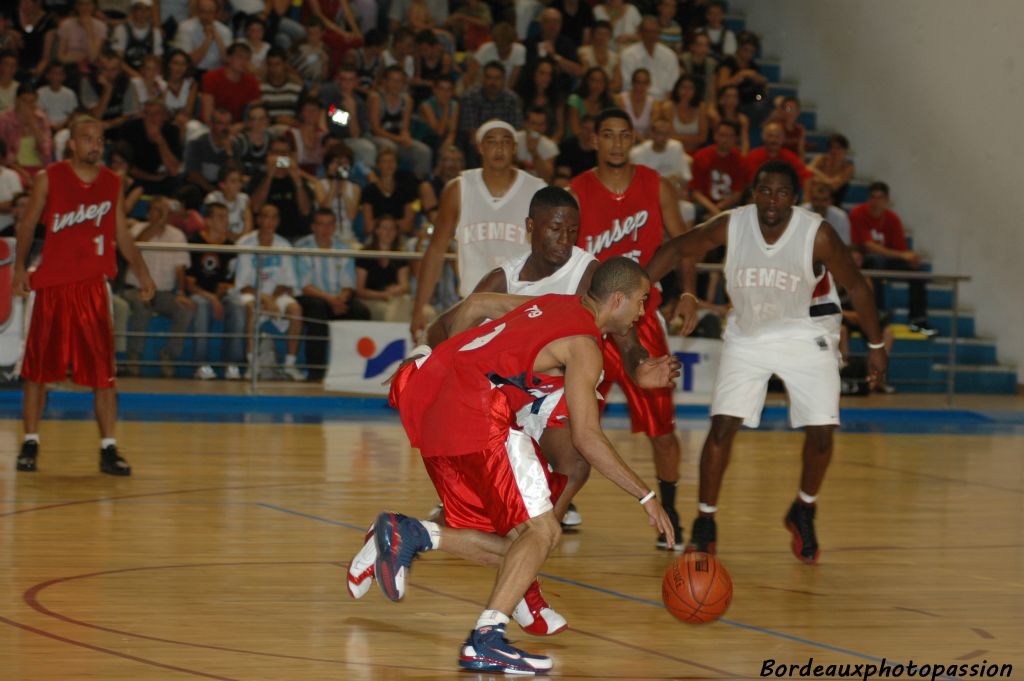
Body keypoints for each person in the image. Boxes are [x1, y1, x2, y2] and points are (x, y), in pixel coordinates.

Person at [349, 256, 677, 674]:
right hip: (476, 413)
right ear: (617, 299)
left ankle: (412, 534)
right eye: (641, 301)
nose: (642, 312)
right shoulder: (584, 345)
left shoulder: (554, 304)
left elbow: (476, 304)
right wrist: (646, 496)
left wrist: (451, 357)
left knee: (522, 542)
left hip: (433, 405)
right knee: (544, 530)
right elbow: (586, 438)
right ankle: (486, 640)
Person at [663, 160, 887, 564]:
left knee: (821, 429)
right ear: (753, 192)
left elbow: (856, 284)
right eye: (765, 191)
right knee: (721, 427)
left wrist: (875, 344)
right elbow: (681, 248)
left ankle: (804, 507)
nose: (772, 200)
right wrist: (634, 290)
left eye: (782, 193)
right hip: (748, 334)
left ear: (794, 199)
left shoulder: (816, 234)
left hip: (807, 332)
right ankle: (706, 520)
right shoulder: (732, 224)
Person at [569, 107, 696, 549]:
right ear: (595, 141)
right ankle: (558, 500)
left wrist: (690, 292)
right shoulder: (578, 190)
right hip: (594, 325)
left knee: (662, 428)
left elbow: (683, 242)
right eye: (608, 135)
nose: (617, 143)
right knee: (573, 423)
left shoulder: (656, 185)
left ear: (633, 140)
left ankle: (672, 504)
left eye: (625, 135)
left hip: (643, 322)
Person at [12, 115, 156, 475]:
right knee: (37, 372)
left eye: (100, 139)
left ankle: (108, 449)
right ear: (72, 144)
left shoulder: (112, 183)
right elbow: (27, 224)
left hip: (93, 286)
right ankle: (30, 442)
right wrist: (18, 269)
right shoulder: (50, 178)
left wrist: (141, 270)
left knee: (104, 374)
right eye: (89, 138)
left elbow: (121, 233)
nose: (96, 144)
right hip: (53, 286)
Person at [410, 120, 547, 338]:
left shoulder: (537, 190)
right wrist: (418, 308)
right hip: (472, 311)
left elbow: (550, 255)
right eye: (492, 142)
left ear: (514, 148)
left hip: (521, 309)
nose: (499, 148)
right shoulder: (458, 189)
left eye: (505, 142)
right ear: (480, 148)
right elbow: (436, 250)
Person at [849, 181, 936, 336]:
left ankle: (918, 319)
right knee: (876, 263)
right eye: (873, 197)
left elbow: (899, 249)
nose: (876, 202)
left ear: (887, 200)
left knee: (916, 271)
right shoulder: (857, 214)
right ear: (868, 199)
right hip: (863, 260)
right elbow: (868, 246)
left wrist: (909, 258)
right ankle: (878, 313)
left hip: (885, 260)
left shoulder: (892, 218)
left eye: (880, 198)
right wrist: (903, 255)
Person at [122, 196, 195, 377]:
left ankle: (169, 355)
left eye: (165, 210)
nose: (162, 214)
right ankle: (134, 356)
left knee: (184, 310)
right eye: (157, 210)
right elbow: (137, 246)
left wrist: (180, 292)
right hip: (134, 289)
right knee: (142, 306)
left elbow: (180, 269)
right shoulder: (137, 228)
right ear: (149, 212)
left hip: (163, 293)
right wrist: (157, 224)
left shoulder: (177, 235)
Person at [294, 208, 370, 380]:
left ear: (335, 226)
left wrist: (340, 300)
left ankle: (354, 370)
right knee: (317, 310)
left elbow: (349, 284)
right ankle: (316, 372)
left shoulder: (343, 248)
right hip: (313, 298)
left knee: (360, 311)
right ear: (313, 226)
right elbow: (305, 286)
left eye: (329, 224)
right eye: (321, 224)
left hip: (337, 298)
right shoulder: (303, 248)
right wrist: (332, 301)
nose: (325, 229)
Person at [233, 203, 306, 380]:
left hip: (277, 295)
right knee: (252, 308)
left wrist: (272, 298)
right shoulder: (245, 243)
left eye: (274, 217)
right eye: (265, 216)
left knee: (295, 310)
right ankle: (252, 366)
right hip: (251, 293)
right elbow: (242, 284)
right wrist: (264, 297)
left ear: (278, 221)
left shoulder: (284, 245)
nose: (269, 221)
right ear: (258, 220)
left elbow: (288, 283)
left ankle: (290, 364)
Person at [186, 201, 245, 380]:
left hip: (220, 295)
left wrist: (216, 298)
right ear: (208, 221)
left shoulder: (230, 246)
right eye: (220, 217)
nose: (225, 221)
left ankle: (232, 363)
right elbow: (189, 283)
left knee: (237, 306)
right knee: (202, 306)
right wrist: (212, 299)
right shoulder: (194, 243)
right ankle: (201, 364)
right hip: (199, 293)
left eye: (226, 217)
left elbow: (226, 283)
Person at [630, 116, 695, 225]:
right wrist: (668, 182)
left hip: (674, 196)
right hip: (648, 201)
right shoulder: (637, 153)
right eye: (660, 133)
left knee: (688, 208)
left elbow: (685, 178)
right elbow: (640, 186)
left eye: (667, 134)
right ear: (652, 134)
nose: (664, 137)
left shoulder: (676, 147)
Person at [250, 135, 313, 243]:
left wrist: (297, 180)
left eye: (284, 153)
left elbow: (305, 210)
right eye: (276, 152)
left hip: (296, 237)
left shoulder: (298, 179)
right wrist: (269, 176)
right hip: (266, 236)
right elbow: (256, 207)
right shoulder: (259, 178)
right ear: (269, 155)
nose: (280, 157)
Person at [354, 215, 416, 321]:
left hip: (396, 298)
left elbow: (405, 286)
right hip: (371, 300)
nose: (388, 231)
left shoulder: (400, 255)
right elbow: (360, 290)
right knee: (393, 311)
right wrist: (383, 295)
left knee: (428, 312)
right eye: (384, 227)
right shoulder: (365, 254)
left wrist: (398, 289)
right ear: (377, 231)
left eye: (392, 228)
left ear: (396, 232)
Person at [690, 120, 748, 217]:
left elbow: (738, 193)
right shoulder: (701, 156)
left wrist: (718, 209)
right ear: (715, 136)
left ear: (736, 139)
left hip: (728, 206)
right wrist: (713, 209)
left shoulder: (740, 160)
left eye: (730, 136)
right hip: (704, 205)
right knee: (691, 210)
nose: (725, 139)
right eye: (722, 135)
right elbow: (696, 192)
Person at [619, 16, 679, 101]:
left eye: (655, 32)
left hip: (662, 103)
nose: (652, 35)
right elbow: (628, 86)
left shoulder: (670, 56)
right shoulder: (628, 55)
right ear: (640, 33)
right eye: (648, 32)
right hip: (636, 101)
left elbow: (672, 88)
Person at [200, 41, 261, 125]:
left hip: (239, 128)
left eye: (247, 59)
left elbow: (256, 114)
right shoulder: (210, 77)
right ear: (229, 58)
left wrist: (241, 127)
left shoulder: (252, 82)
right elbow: (207, 116)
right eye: (240, 57)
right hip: (214, 125)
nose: (244, 62)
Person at [204, 165, 252, 241]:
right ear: (222, 184)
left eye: (240, 181)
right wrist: (232, 238)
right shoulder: (213, 198)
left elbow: (248, 228)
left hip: (241, 242)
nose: (238, 185)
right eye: (233, 181)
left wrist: (240, 239)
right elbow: (212, 226)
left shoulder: (244, 199)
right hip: (219, 241)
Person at [808, 133, 854, 205]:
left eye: (838, 148)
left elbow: (834, 186)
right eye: (832, 147)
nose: (834, 151)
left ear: (845, 151)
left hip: (835, 202)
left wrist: (817, 178)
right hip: (814, 200)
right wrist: (829, 180)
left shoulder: (848, 167)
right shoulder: (820, 159)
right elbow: (808, 169)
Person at [615, 68, 655, 141]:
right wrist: (641, 141)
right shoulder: (620, 99)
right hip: (623, 140)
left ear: (649, 84)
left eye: (644, 83)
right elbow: (623, 125)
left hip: (644, 142)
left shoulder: (653, 103)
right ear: (632, 83)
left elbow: (653, 129)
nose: (641, 86)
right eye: (638, 82)